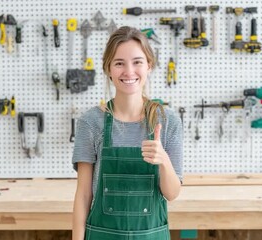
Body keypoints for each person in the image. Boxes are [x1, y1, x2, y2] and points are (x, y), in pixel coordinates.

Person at [72, 26, 183, 240]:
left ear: (149, 65)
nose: (129, 71)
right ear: (108, 68)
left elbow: (172, 193)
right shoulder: (91, 122)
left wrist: (164, 161)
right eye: (119, 63)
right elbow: (83, 195)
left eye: (137, 62)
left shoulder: (168, 121)